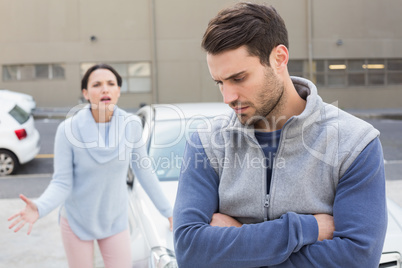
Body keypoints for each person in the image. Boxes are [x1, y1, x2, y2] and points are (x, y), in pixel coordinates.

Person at [173, 2, 387, 267]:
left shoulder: (355, 142)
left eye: (238, 78)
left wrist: (235, 240)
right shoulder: (206, 143)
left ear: (279, 58)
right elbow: (190, 251)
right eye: (220, 82)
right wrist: (305, 229)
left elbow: (357, 259)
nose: (228, 97)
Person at [8, 63, 173, 268]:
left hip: (114, 219)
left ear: (118, 91)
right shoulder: (67, 130)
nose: (105, 89)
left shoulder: (131, 125)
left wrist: (169, 212)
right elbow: (61, 182)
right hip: (77, 220)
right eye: (97, 84)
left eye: (111, 83)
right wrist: (40, 207)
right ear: (85, 93)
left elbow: (144, 172)